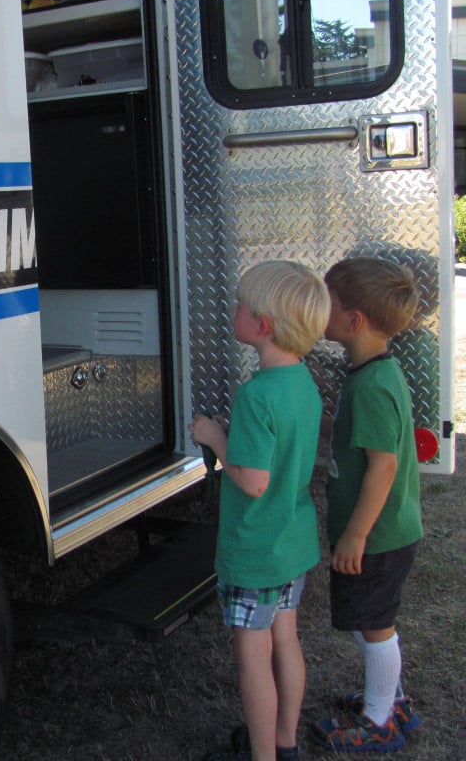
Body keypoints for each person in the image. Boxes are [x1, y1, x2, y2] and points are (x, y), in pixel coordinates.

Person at [190, 260, 330, 761]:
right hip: (292, 545)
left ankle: (261, 755)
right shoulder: (302, 383)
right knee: (286, 642)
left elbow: (251, 479)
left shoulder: (254, 396)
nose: (233, 310)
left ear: (262, 326)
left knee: (254, 658)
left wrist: (214, 436)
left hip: (255, 551)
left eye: (240, 306)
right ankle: (286, 742)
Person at [311, 257, 424, 753]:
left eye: (326, 303)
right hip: (374, 532)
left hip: (377, 536)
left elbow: (383, 467)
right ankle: (387, 695)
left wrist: (356, 534)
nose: (318, 310)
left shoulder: (375, 385)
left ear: (353, 321)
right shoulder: (369, 371)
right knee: (364, 616)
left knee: (376, 625)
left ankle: (381, 718)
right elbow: (357, 444)